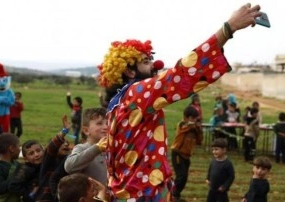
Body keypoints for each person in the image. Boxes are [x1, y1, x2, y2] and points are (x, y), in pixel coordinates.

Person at [97, 3, 262, 201]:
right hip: (144, 193)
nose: (155, 65)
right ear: (130, 72)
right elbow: (182, 74)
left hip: (125, 193)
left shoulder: (115, 105)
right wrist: (229, 28)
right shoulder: (136, 93)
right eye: (146, 61)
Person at [64, 107, 108, 185]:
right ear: (86, 130)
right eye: (99, 123)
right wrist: (97, 148)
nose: (105, 127)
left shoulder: (113, 149)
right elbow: (69, 167)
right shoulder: (82, 148)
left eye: (108, 123)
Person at [170, 106, 202, 202]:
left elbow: (200, 141)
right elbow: (183, 129)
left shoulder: (195, 129)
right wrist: (192, 126)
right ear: (186, 117)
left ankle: (176, 195)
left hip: (187, 156)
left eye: (195, 118)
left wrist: (198, 130)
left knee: (184, 178)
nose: (194, 120)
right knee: (181, 176)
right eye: (192, 118)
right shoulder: (181, 124)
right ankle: (172, 193)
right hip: (177, 153)